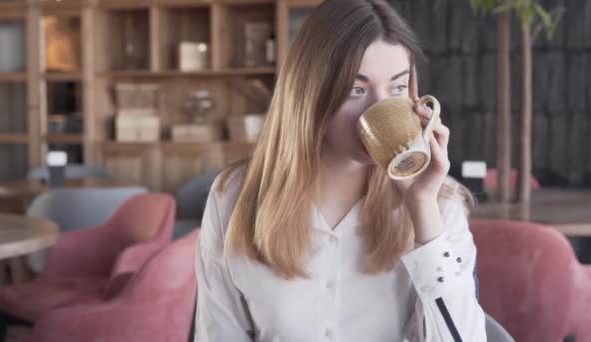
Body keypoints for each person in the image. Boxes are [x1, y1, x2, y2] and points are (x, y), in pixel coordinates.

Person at [194, 0, 487, 340]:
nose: (378, 110)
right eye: (356, 89)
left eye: (396, 88)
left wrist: (423, 211)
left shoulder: (440, 206)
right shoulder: (234, 198)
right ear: (309, 94)